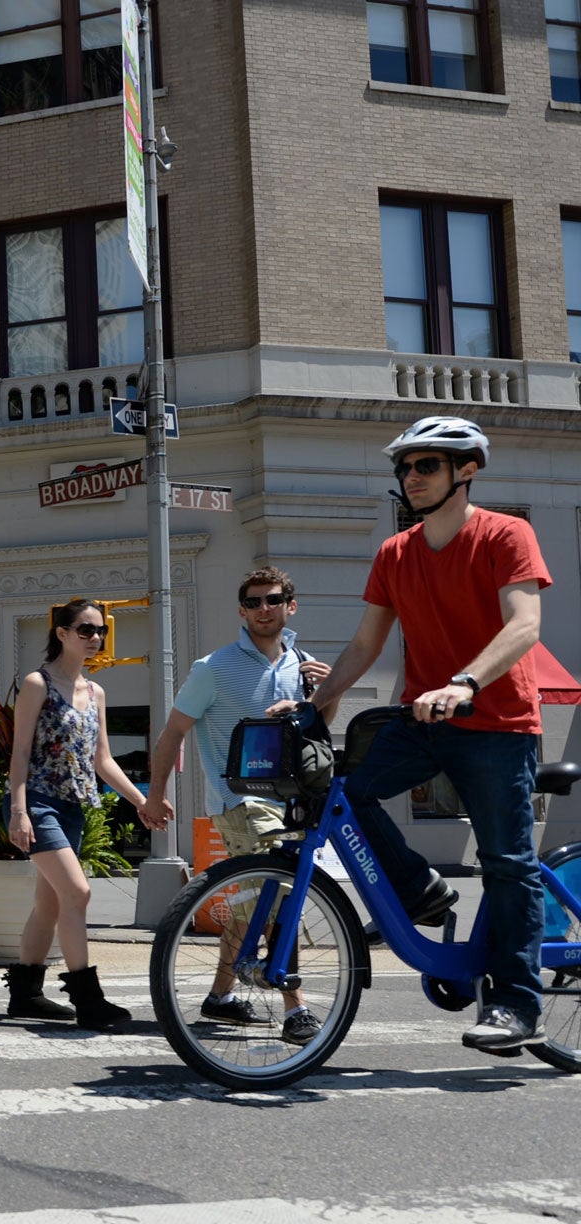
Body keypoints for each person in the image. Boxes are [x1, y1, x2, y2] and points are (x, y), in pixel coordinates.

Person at [279, 417, 550, 1053]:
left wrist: (464, 683)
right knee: (346, 792)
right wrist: (314, 705)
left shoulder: (506, 534)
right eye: (404, 468)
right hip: (423, 721)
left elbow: (524, 625)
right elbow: (364, 645)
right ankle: (418, 890)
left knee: (506, 863)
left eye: (426, 465)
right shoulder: (395, 553)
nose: (412, 477)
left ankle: (517, 1003)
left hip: (495, 723)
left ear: (466, 470)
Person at [142, 566, 331, 1044]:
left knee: (253, 902)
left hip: (294, 802)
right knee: (279, 895)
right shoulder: (213, 667)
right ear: (241, 611)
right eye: (253, 602)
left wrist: (329, 693)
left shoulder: (303, 664)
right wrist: (156, 794)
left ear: (291, 606)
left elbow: (317, 732)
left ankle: (220, 997)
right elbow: (172, 732)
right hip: (241, 801)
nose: (263, 609)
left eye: (273, 600)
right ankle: (296, 1007)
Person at [3, 599, 149, 1027]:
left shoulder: (96, 692)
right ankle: (88, 1000)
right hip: (38, 803)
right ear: (62, 633)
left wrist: (141, 802)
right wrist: (18, 811)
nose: (95, 638)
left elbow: (103, 760)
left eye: (100, 630)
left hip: (74, 808)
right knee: (78, 893)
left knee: (49, 903)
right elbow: (20, 752)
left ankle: (25, 995)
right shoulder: (38, 684)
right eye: (86, 630)